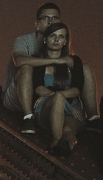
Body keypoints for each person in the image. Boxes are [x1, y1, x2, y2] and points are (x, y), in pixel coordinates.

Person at [30, 21, 96, 157]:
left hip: (72, 110)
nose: (56, 40)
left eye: (61, 37)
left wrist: (65, 105)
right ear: (45, 39)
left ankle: (66, 148)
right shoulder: (38, 60)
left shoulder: (74, 61)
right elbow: (38, 89)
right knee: (59, 98)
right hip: (46, 108)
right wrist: (61, 101)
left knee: (67, 130)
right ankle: (55, 141)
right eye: (52, 36)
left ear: (65, 41)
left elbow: (77, 90)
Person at [2, 2, 60, 131]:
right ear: (36, 23)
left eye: (55, 18)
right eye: (46, 18)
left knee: (84, 68)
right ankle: (28, 118)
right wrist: (55, 61)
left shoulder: (60, 44)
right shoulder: (23, 40)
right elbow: (20, 61)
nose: (51, 22)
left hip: (42, 96)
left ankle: (92, 118)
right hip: (16, 97)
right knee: (27, 67)